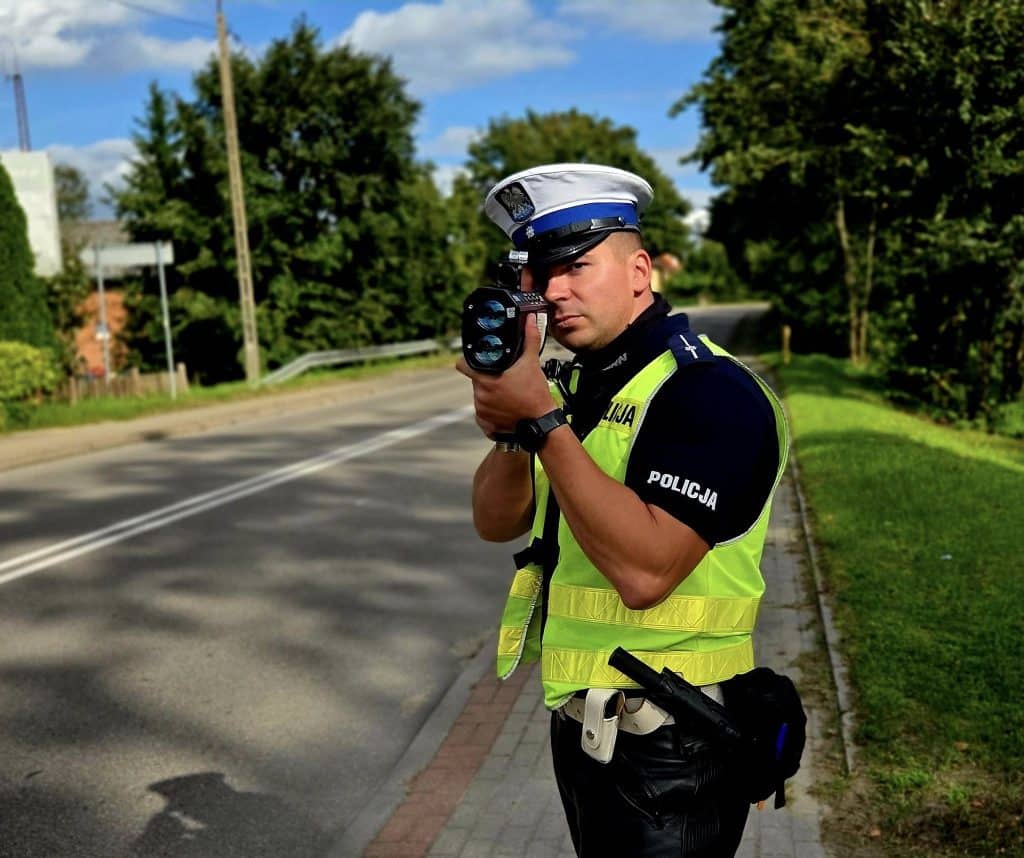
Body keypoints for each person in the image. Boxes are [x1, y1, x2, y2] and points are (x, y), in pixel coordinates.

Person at [456, 163, 789, 857]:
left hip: (677, 742)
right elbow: (496, 522)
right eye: (539, 276)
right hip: (586, 730)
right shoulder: (577, 386)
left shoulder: (708, 390)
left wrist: (544, 421)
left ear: (640, 270)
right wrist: (514, 431)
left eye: (576, 267)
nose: (553, 292)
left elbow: (646, 574)